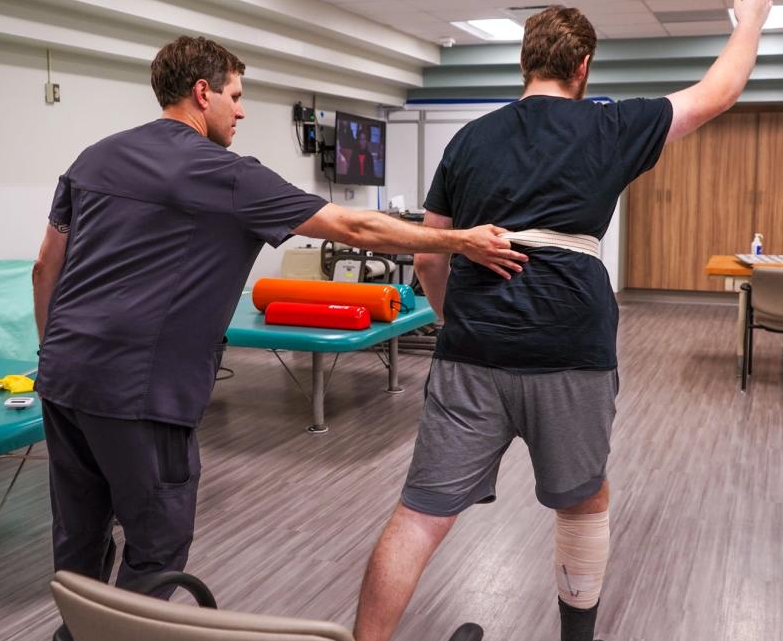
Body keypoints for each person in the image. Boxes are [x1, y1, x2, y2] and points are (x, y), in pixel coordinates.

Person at [351, 0, 773, 641]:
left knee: (421, 515)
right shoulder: (609, 127)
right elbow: (717, 90)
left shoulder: (469, 139)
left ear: (526, 64)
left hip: (472, 355)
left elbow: (429, 254)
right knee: (582, 501)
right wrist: (751, 20)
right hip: (570, 353)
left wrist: (456, 324)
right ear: (583, 67)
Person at [30, 36, 527, 596]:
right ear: (202, 93)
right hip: (141, 393)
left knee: (78, 531)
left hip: (64, 380)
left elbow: (45, 268)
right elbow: (355, 228)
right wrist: (462, 241)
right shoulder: (229, 175)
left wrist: (54, 358)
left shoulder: (92, 158)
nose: (241, 110)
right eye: (236, 96)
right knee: (156, 545)